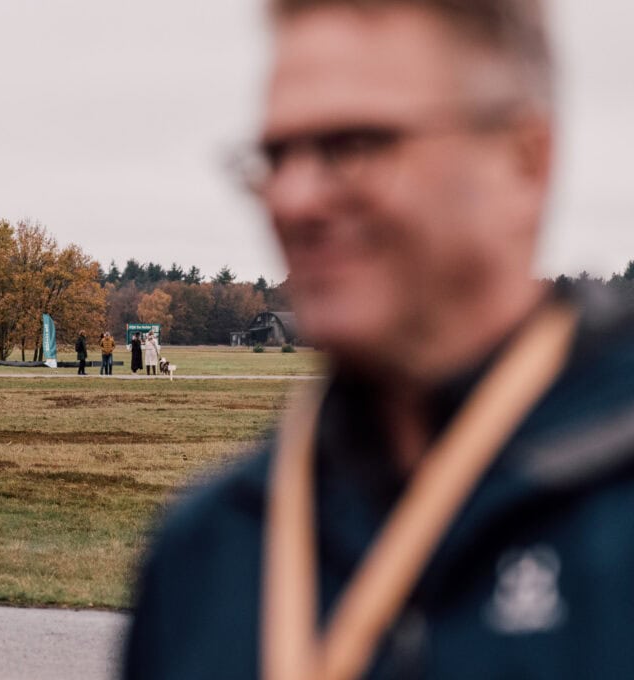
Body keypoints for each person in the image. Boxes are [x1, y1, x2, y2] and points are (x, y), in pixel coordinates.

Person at [124, 2, 634, 678]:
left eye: (351, 146)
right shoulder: (208, 552)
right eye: (276, 156)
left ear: (525, 161)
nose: (293, 200)